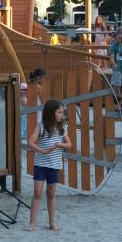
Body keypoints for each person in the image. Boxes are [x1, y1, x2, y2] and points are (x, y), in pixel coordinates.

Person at [27, 99, 72, 231]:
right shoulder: (41, 126)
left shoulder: (62, 127)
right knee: (37, 193)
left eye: (62, 113)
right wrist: (43, 151)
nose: (61, 115)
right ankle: (32, 223)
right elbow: (30, 142)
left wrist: (59, 144)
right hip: (40, 165)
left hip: (55, 165)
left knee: (51, 194)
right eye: (59, 112)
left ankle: (52, 223)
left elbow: (69, 145)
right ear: (51, 113)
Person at [108, 27, 122, 110]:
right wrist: (114, 65)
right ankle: (116, 107)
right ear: (117, 36)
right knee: (116, 87)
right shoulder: (113, 46)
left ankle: (119, 106)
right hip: (117, 70)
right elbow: (111, 57)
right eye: (121, 37)